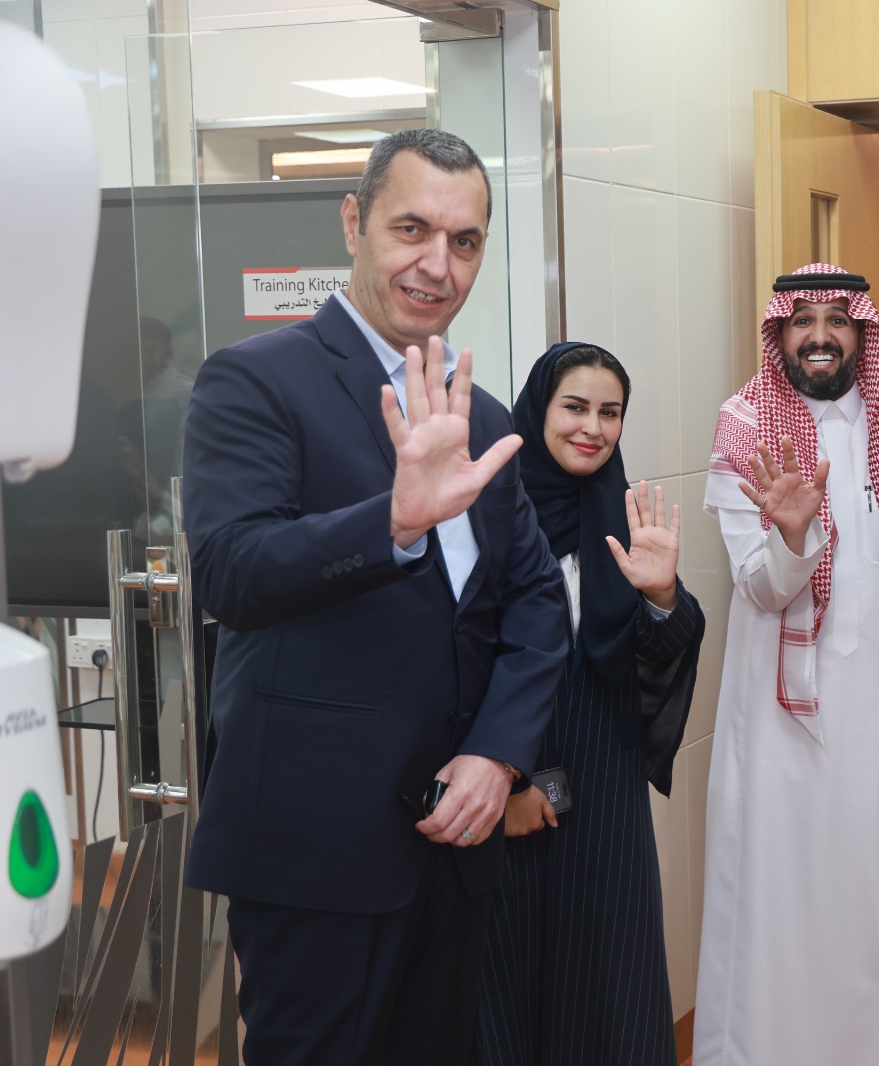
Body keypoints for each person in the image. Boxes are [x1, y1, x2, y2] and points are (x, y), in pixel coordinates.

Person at [182, 128, 568, 1066]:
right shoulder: (256, 380)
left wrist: (498, 754)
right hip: (318, 850)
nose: (438, 264)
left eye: (464, 241)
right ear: (353, 224)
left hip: (456, 841)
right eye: (411, 229)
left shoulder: (481, 414)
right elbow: (232, 572)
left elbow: (533, 604)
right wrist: (390, 525)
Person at [693, 263, 879, 1066]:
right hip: (779, 738)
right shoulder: (744, 427)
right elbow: (759, 587)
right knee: (779, 908)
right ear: (779, 332)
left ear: (863, 332)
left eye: (836, 320)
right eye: (802, 321)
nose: (819, 336)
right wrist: (793, 538)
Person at [474, 342, 705, 1065]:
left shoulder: (623, 515)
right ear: (537, 409)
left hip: (604, 788)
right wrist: (510, 785)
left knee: (610, 983)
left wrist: (663, 594)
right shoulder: (487, 515)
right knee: (509, 981)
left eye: (611, 412)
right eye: (574, 407)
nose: (593, 428)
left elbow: (657, 650)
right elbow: (457, 666)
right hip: (508, 784)